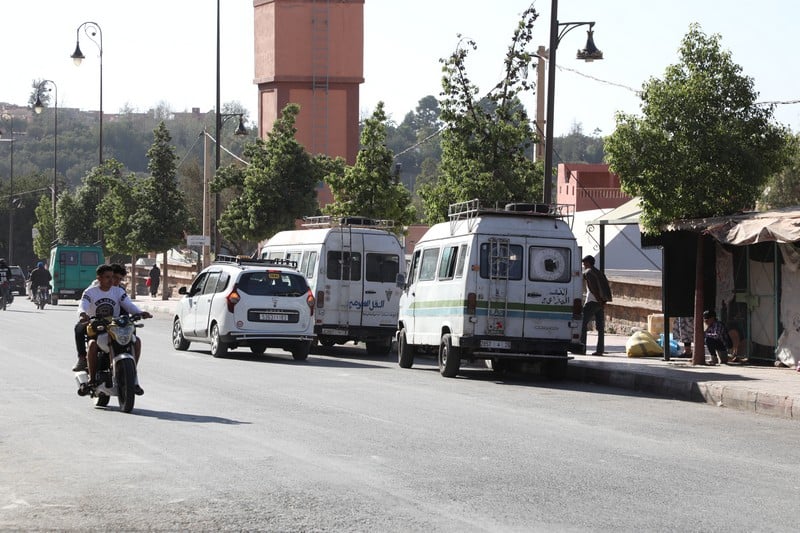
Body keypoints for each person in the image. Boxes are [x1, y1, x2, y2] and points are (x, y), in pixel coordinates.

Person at [76, 264, 151, 395]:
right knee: (92, 344)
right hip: (97, 326)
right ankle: (92, 380)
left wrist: (140, 312)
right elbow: (83, 305)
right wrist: (83, 314)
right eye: (108, 278)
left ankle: (133, 378)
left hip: (115, 326)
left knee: (136, 341)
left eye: (113, 278)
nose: (112, 281)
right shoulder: (90, 292)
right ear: (99, 278)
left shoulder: (118, 291)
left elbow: (128, 305)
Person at [580, 255, 612, 355]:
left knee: (582, 324)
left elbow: (593, 288)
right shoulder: (599, 272)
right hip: (600, 302)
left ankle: (582, 348)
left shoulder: (589, 272)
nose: (584, 265)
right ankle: (600, 350)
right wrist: (602, 303)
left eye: (584, 263)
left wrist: (598, 300)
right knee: (600, 328)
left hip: (592, 302)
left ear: (588, 263)